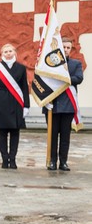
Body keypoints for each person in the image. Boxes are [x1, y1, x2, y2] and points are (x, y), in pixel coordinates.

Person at [44, 38, 83, 171]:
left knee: (65, 136)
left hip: (68, 105)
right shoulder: (50, 64)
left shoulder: (76, 64)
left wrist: (63, 78)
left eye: (68, 48)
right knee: (53, 136)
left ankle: (63, 162)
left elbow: (79, 78)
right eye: (64, 47)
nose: (66, 49)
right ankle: (53, 161)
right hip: (52, 105)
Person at [0, 43, 29, 169]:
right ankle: (5, 159)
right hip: (1, 102)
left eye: (10, 51)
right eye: (5, 51)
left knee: (15, 132)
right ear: (2, 54)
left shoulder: (21, 68)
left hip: (16, 103)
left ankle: (13, 158)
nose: (8, 53)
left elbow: (24, 88)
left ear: (15, 53)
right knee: (2, 132)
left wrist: (26, 106)